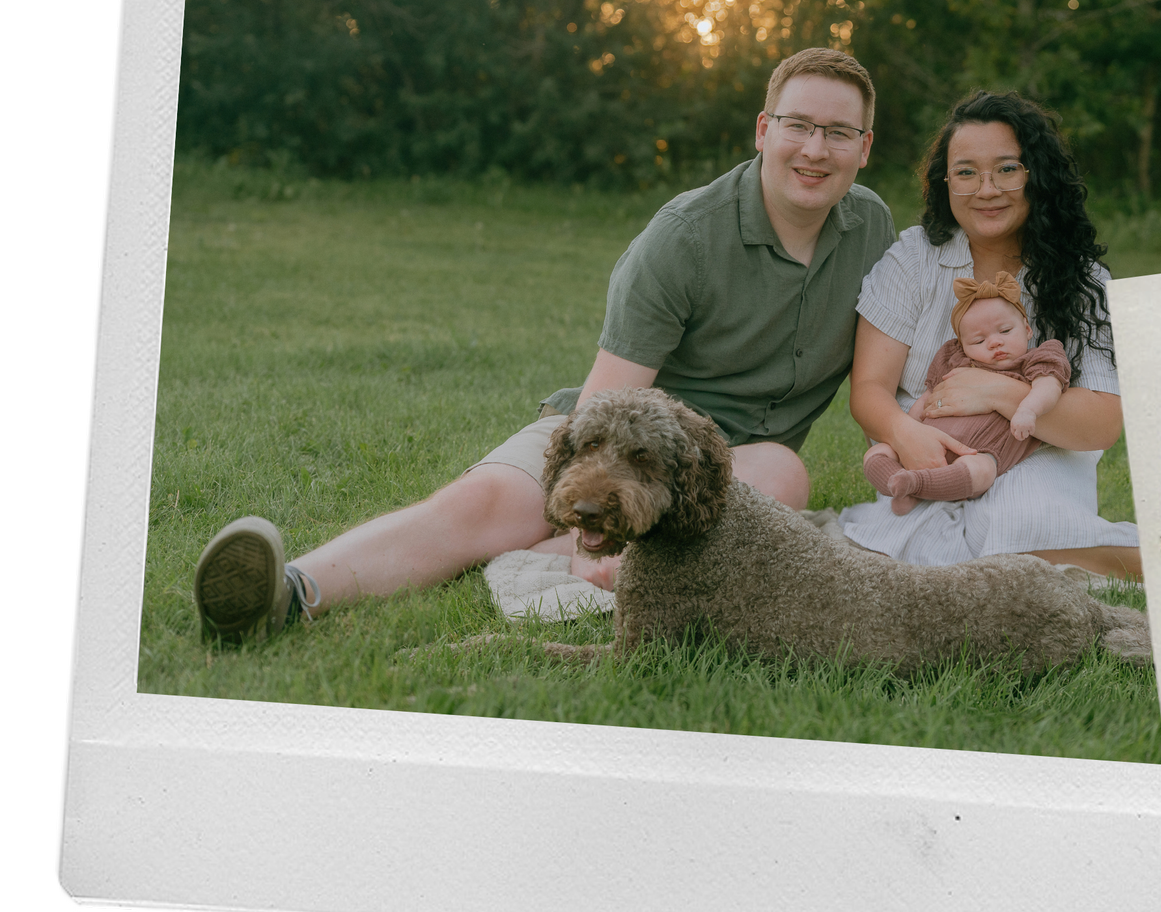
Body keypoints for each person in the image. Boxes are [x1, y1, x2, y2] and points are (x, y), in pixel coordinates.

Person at [190, 47, 895, 640]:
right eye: (798, 125)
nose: (814, 149)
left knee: (781, 475)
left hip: (735, 465)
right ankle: (286, 591)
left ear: (864, 148)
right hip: (617, 433)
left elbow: (892, 370)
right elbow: (608, 407)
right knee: (482, 507)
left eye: (838, 132)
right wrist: (593, 506)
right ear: (763, 129)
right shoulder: (684, 238)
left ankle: (554, 552)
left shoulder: (873, 231)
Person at [838, 90, 1141, 578]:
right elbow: (870, 388)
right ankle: (1048, 567)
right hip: (929, 448)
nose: (987, 189)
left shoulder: (1084, 282)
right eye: (966, 172)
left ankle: (1123, 559)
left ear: (1035, 175)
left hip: (1040, 457)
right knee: (906, 547)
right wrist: (903, 433)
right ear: (945, 183)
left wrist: (999, 391)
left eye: (1007, 168)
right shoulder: (912, 259)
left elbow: (1101, 423)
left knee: (1015, 524)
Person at [860, 273, 1065, 511]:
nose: (994, 343)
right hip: (930, 441)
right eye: (979, 341)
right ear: (963, 346)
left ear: (1027, 329)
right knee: (878, 451)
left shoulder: (1036, 360)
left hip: (981, 451)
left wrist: (1029, 410)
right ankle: (896, 483)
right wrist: (910, 429)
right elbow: (929, 397)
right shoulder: (957, 361)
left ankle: (915, 486)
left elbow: (1050, 386)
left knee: (982, 471)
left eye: (1005, 331)